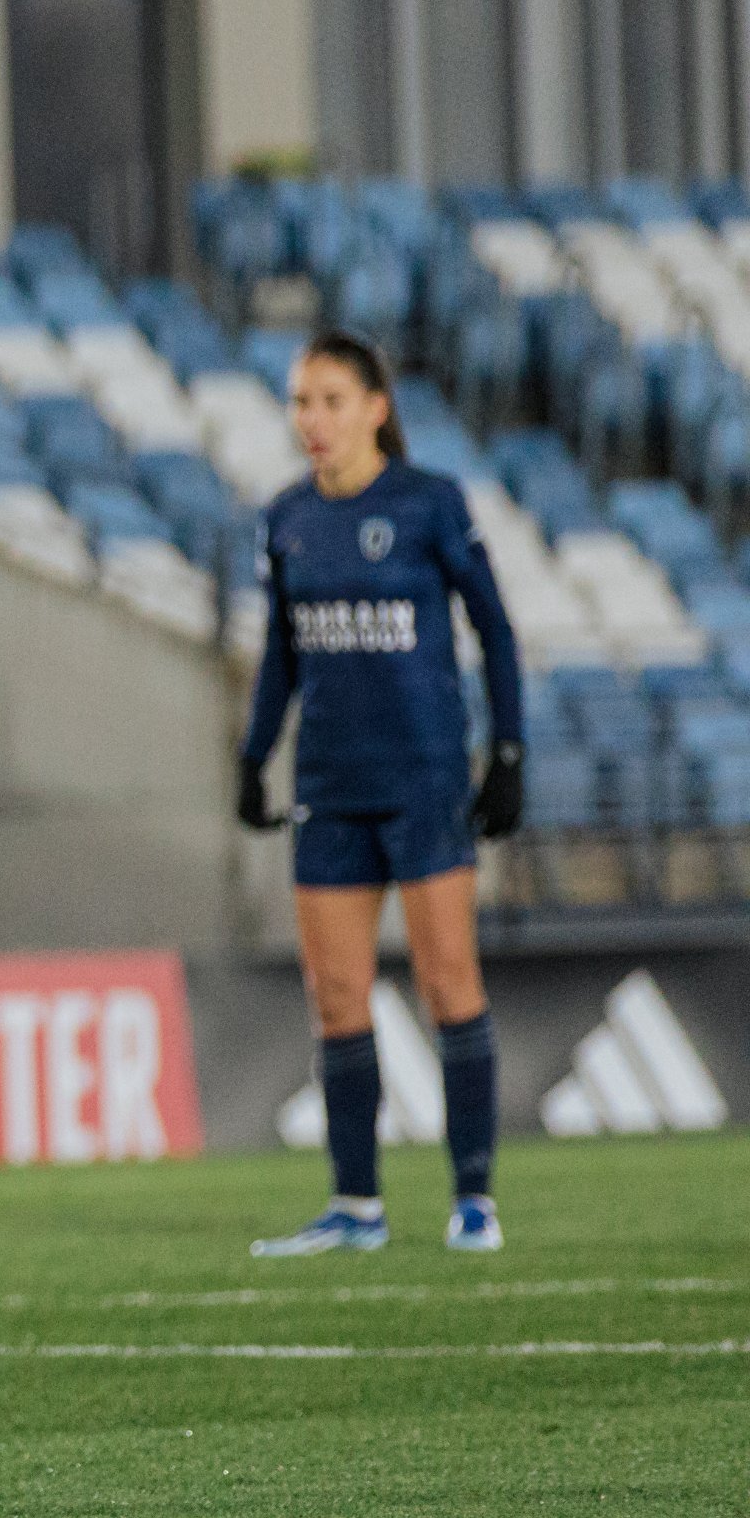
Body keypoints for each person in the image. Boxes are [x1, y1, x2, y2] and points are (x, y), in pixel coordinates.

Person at [236, 330, 527, 1256]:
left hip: (423, 779)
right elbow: (282, 655)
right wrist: (253, 756)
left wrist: (509, 751)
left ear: (375, 407)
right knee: (335, 994)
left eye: (327, 400)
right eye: (298, 402)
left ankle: (473, 1196)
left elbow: (497, 630)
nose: (310, 420)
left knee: (448, 981)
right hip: (330, 785)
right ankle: (356, 1204)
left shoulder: (429, 504)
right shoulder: (286, 518)